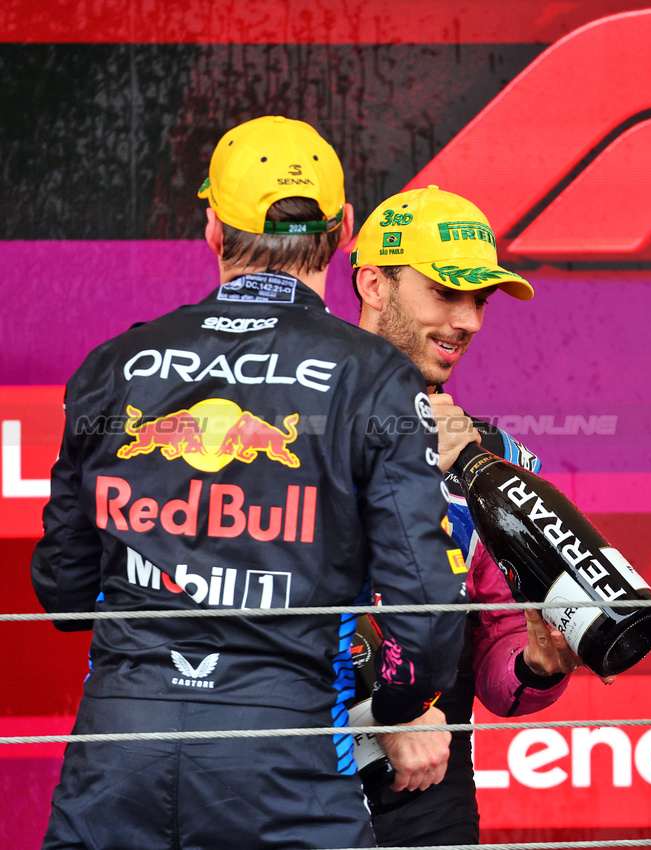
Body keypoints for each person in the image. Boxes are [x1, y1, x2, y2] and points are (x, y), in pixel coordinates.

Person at [31, 116, 467, 850]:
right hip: (283, 761)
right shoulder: (372, 376)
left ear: (211, 227)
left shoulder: (114, 365)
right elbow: (424, 614)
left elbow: (63, 593)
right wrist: (398, 703)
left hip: (117, 755)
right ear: (344, 228)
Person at [351, 185, 608, 845]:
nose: (467, 321)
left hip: (426, 792)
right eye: (444, 292)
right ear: (374, 285)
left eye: (479, 300)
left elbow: (497, 650)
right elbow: (252, 589)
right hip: (288, 775)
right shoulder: (293, 426)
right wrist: (384, 712)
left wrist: (536, 661)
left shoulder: (497, 460)